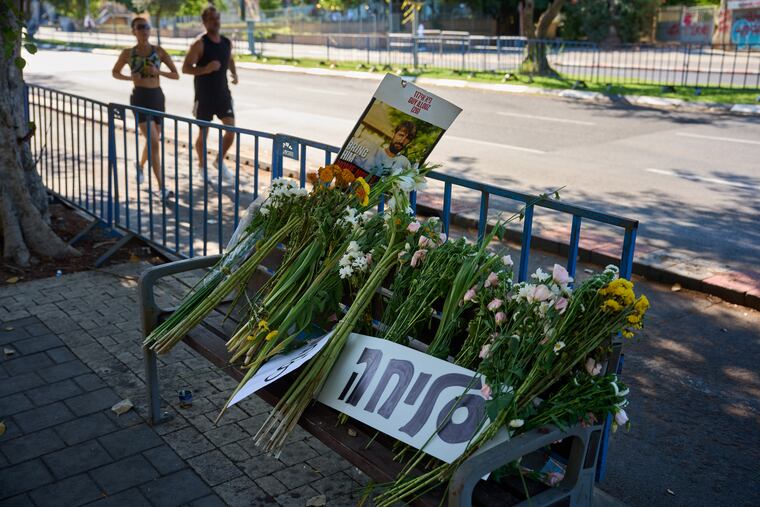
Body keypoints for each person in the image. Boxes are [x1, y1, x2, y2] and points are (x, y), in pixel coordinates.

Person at [112, 17, 179, 204]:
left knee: (153, 140)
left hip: (157, 97)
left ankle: (140, 165)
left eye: (147, 27)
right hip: (139, 97)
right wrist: (128, 78)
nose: (144, 30)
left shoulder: (159, 51)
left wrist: (159, 73)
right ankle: (162, 187)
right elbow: (115, 72)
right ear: (133, 31)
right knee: (155, 143)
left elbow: (176, 75)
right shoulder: (127, 53)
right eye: (140, 27)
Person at [182, 6, 238, 190]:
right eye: (212, 19)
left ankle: (218, 162)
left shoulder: (226, 42)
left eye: (218, 18)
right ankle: (201, 167)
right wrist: (205, 69)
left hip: (223, 94)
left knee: (230, 132)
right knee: (203, 134)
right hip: (204, 96)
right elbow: (186, 68)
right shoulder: (200, 44)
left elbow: (229, 59)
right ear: (205, 22)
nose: (216, 21)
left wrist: (234, 74)